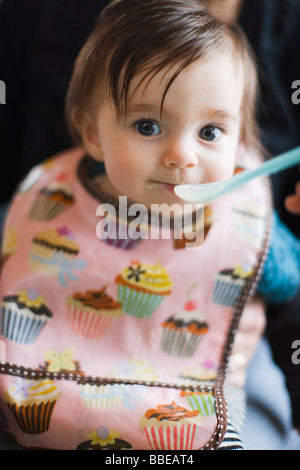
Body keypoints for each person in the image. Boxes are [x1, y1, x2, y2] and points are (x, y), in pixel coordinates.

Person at [0, 0, 299, 450]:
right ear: (92, 133)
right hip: (42, 394)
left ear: (239, 139)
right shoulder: (51, 201)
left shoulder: (248, 227)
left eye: (210, 132)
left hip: (197, 404)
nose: (182, 154)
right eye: (147, 125)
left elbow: (294, 314)